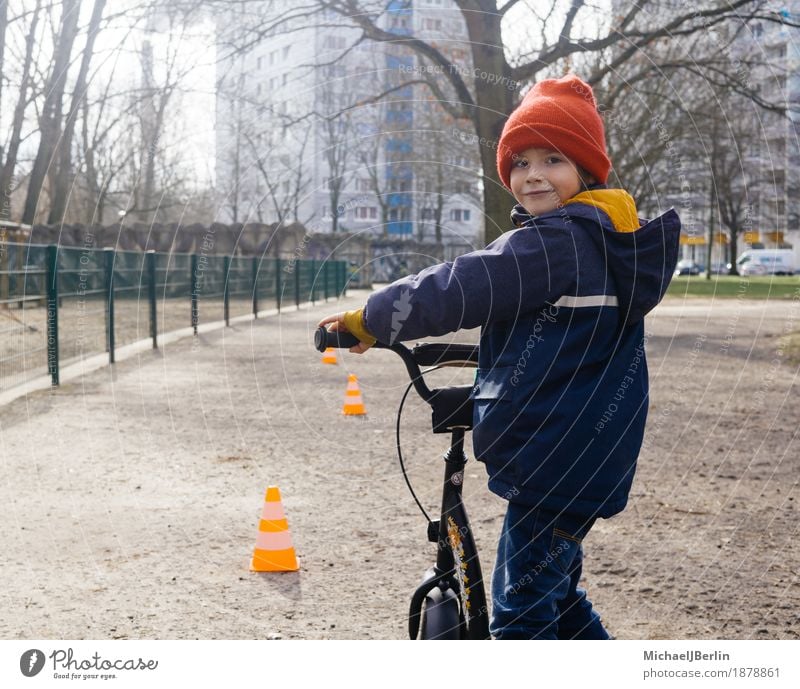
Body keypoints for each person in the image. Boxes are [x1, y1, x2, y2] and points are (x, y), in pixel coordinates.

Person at [318, 74, 681, 639]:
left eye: (553, 159)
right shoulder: (604, 239)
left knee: (519, 615)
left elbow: (458, 286)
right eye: (520, 162)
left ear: (586, 171)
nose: (533, 174)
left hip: (557, 458)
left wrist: (369, 319)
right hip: (584, 451)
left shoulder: (555, 242)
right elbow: (558, 336)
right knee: (555, 597)